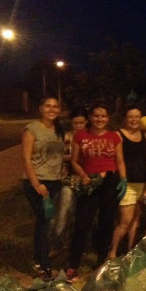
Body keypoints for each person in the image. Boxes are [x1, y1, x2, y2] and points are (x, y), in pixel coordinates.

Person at [66, 102, 127, 282]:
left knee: (106, 223)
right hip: (89, 182)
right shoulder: (80, 136)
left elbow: (120, 161)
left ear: (108, 119)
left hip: (109, 181)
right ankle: (73, 265)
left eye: (103, 116)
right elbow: (75, 161)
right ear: (90, 117)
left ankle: (101, 263)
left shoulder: (114, 137)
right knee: (82, 224)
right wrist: (83, 175)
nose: (99, 119)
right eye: (96, 116)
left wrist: (123, 179)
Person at [21, 96, 65, 281]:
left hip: (55, 181)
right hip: (38, 183)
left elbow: (58, 155)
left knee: (43, 222)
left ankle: (38, 260)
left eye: (55, 106)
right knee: (46, 223)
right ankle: (45, 266)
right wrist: (36, 184)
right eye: (48, 106)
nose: (52, 109)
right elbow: (26, 158)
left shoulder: (59, 130)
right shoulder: (32, 129)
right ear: (40, 108)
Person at [108, 105, 146, 258]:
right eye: (130, 116)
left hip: (143, 183)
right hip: (127, 184)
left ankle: (130, 252)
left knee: (136, 219)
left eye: (137, 116)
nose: (134, 120)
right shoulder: (118, 135)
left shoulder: (144, 135)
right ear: (125, 119)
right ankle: (111, 253)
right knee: (124, 222)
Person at [52, 108, 88, 252]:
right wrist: (74, 157)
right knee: (63, 211)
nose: (78, 126)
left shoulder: (91, 137)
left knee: (82, 215)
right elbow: (57, 157)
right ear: (71, 123)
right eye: (75, 123)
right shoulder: (66, 138)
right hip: (68, 180)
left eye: (81, 123)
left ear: (86, 122)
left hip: (86, 181)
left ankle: (79, 244)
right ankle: (55, 244)